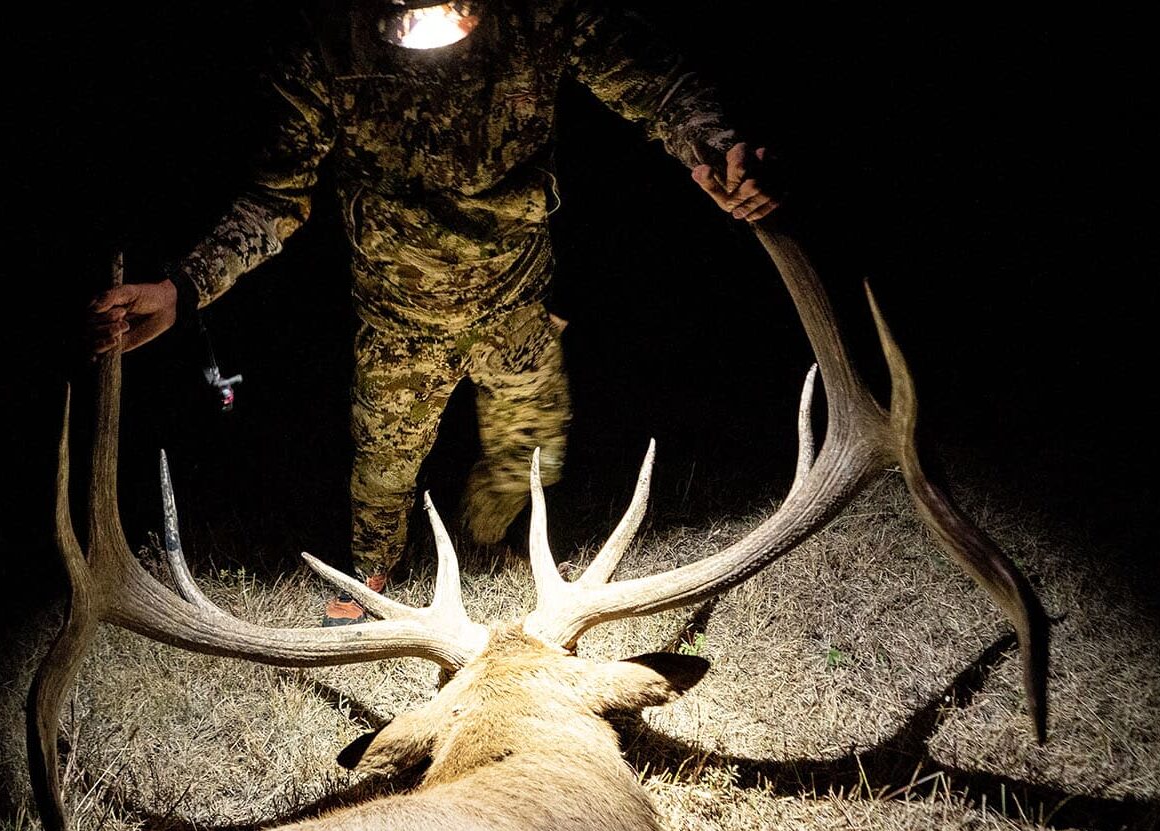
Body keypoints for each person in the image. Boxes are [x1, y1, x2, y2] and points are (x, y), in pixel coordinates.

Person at [89, 0, 779, 624]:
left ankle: (508, 540)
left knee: (529, 448)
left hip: (517, 303)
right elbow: (274, 200)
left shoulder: (538, 15)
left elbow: (657, 88)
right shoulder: (329, 44)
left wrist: (717, 150)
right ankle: (373, 574)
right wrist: (184, 288)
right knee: (384, 469)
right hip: (397, 320)